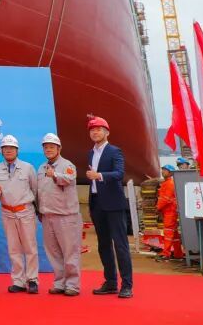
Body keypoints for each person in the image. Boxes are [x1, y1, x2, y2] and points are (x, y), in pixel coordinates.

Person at [85, 115, 133, 298]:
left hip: (113, 204)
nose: (95, 132)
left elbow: (119, 174)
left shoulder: (114, 151)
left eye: (98, 129)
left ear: (107, 132)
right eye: (92, 130)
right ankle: (111, 282)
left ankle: (127, 285)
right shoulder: (90, 153)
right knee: (103, 245)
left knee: (120, 245)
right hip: (97, 203)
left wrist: (99, 176)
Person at [0, 134, 39, 294]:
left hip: (25, 211)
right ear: (1, 151)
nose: (8, 150)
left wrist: (37, 210)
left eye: (11, 148)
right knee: (13, 248)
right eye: (5, 148)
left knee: (30, 247)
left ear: (17, 150)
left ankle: (32, 280)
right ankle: (18, 281)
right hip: (7, 212)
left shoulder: (28, 168)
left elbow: (35, 189)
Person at [37, 133, 82, 296]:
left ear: (59, 148)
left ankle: (72, 285)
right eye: (46, 147)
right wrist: (39, 211)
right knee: (53, 252)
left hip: (66, 216)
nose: (48, 150)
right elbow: (39, 191)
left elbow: (68, 179)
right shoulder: (41, 168)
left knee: (70, 251)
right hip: (47, 216)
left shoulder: (67, 165)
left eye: (52, 147)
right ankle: (60, 283)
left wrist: (55, 174)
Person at [156, 164, 182, 260]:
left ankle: (166, 253)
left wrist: (158, 207)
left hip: (170, 211)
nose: (162, 171)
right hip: (169, 210)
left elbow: (165, 199)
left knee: (168, 232)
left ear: (170, 172)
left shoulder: (170, 183)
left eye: (165, 170)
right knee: (174, 234)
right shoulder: (167, 183)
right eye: (162, 169)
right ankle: (178, 253)